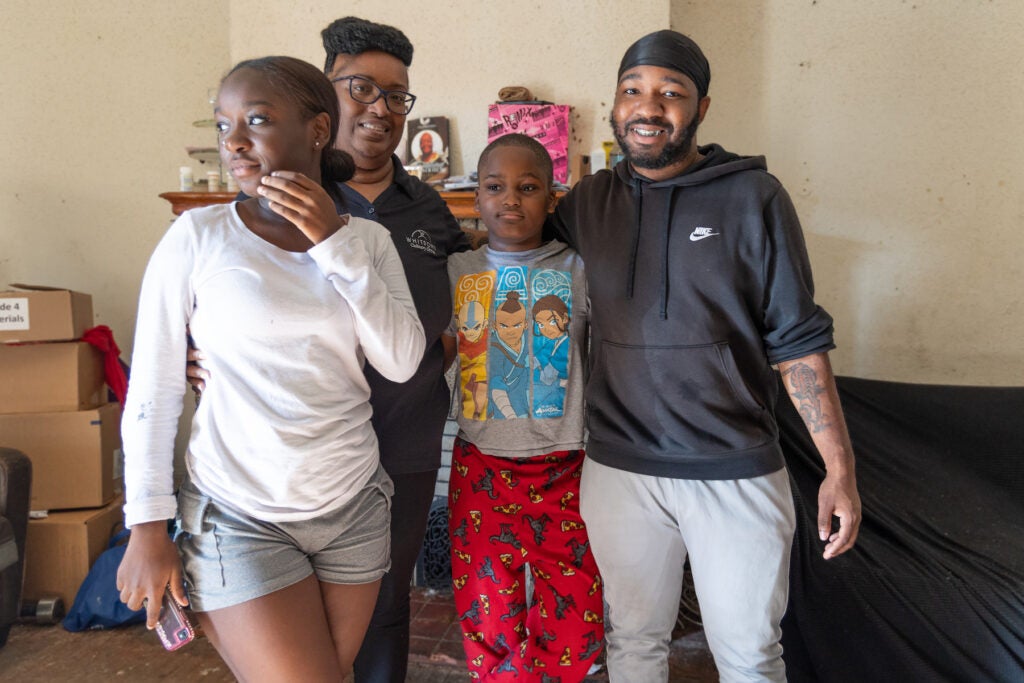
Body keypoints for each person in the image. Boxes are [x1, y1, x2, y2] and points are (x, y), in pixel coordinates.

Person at [550, 30, 863, 682]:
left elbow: (797, 340)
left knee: (749, 654)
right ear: (614, 101)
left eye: (671, 92)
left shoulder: (755, 199)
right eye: (633, 89)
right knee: (632, 643)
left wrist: (839, 466)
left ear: (702, 108)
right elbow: (518, 259)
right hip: (618, 467)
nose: (648, 106)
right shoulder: (587, 204)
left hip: (734, 466)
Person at [117, 56, 425, 681]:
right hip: (240, 509)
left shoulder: (367, 243)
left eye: (255, 120)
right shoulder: (197, 238)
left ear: (317, 130)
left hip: (353, 504)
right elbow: (151, 390)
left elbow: (402, 361)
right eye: (224, 123)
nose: (232, 140)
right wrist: (146, 525)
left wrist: (333, 244)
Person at [185, 17, 469, 683]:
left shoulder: (429, 209)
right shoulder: (260, 200)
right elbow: (211, 300)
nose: (379, 108)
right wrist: (200, 359)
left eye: (396, 95)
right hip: (282, 464)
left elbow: (448, 314)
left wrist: (442, 355)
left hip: (402, 444)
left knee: (386, 605)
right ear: (321, 103)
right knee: (288, 629)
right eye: (360, 87)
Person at [444, 134, 603, 682]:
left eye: (528, 187)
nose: (510, 199)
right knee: (488, 619)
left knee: (575, 618)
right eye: (495, 187)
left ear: (551, 198)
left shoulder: (582, 270)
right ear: (477, 198)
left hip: (568, 468)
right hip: (481, 465)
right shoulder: (455, 271)